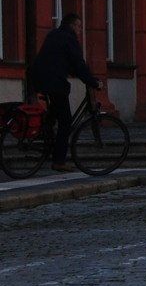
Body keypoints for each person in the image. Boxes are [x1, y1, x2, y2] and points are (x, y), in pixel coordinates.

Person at [27, 14, 102, 172]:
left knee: (55, 111)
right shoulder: (69, 38)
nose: (80, 30)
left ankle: (45, 134)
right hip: (53, 82)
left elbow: (64, 62)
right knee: (66, 121)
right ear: (73, 25)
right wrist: (93, 82)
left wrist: (80, 74)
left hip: (40, 78)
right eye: (79, 27)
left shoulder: (54, 34)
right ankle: (59, 161)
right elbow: (78, 63)